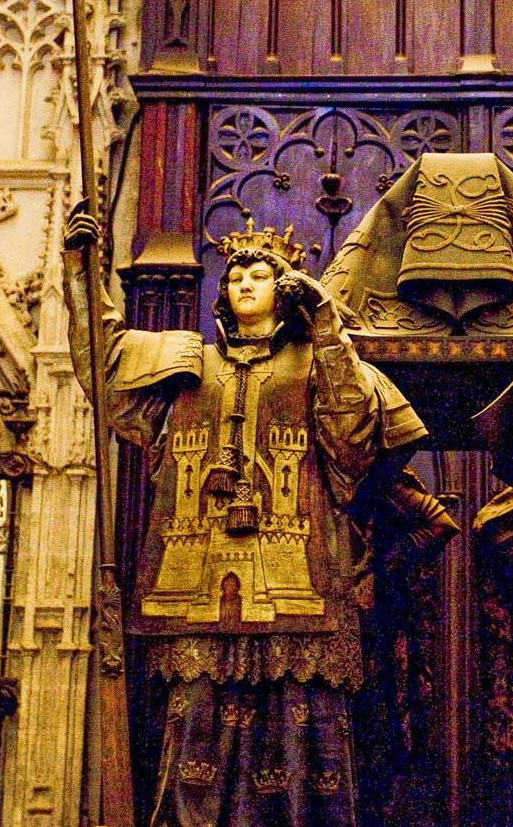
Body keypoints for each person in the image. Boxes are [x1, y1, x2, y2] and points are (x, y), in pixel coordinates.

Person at [64, 209, 428, 827]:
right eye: (235, 277)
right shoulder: (184, 365)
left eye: (262, 275)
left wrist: (328, 328)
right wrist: (84, 271)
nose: (246, 285)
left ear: (286, 294)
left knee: (300, 740)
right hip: (198, 586)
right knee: (197, 740)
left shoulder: (320, 366)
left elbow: (355, 441)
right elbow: (105, 365)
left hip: (302, 586)